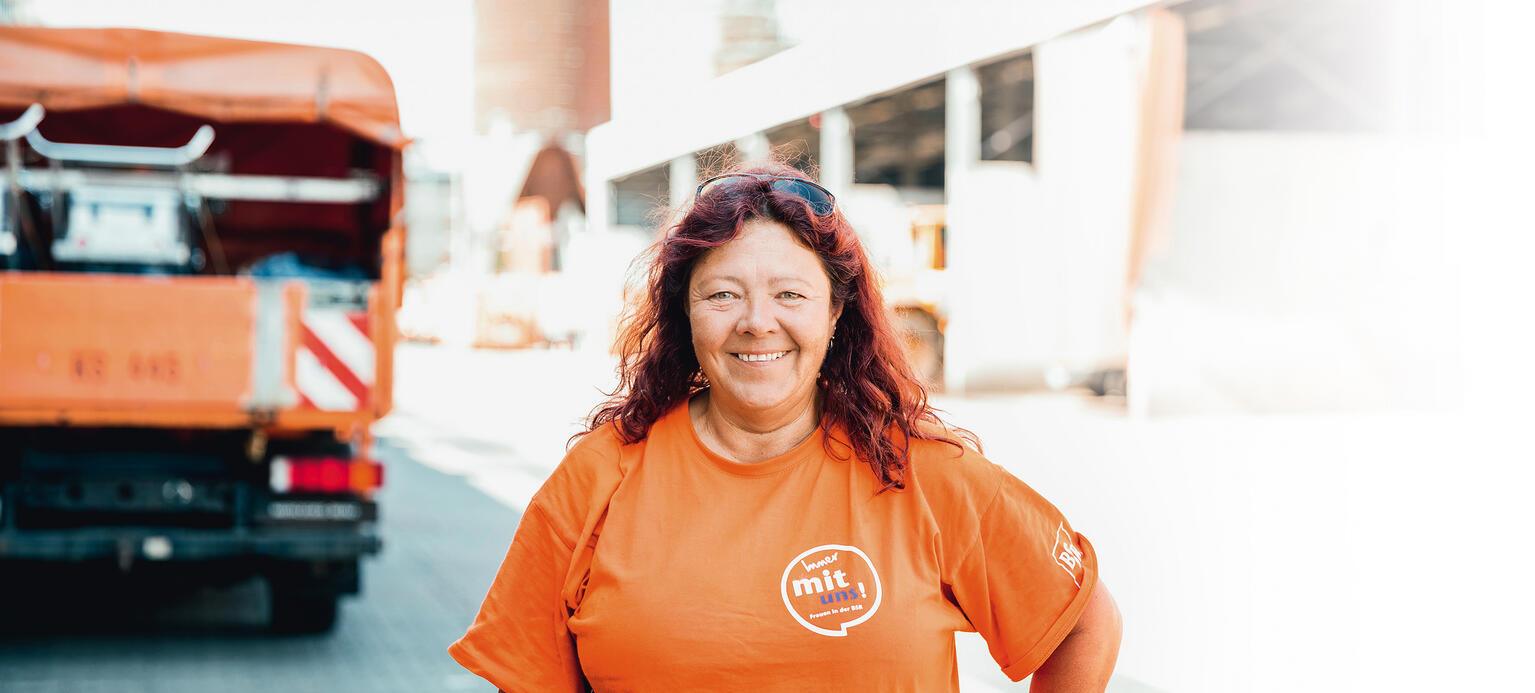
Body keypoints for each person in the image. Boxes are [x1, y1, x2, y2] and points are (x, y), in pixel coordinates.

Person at [450, 162, 1122, 692]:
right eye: (722, 293)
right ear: (684, 312)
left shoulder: (921, 473)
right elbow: (528, 675)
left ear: (836, 314)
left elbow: (1082, 623)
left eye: (790, 294)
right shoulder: (598, 478)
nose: (756, 321)